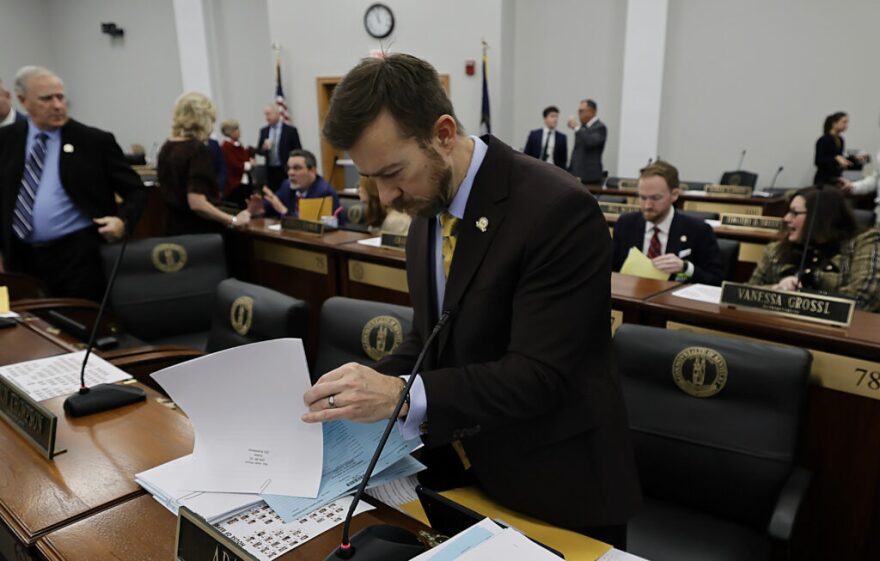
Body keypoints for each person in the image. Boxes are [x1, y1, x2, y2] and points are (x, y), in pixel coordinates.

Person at [302, 53, 640, 548]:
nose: (387, 197)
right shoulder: (426, 205)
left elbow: (539, 375)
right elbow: (432, 336)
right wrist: (351, 391)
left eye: (393, 172)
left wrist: (399, 393)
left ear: (442, 133)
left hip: (557, 489)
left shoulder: (556, 208)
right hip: (461, 479)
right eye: (371, 176)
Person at [0, 66, 147, 300]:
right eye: (47, 99)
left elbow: (136, 191)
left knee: (79, 327)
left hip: (78, 256)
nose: (58, 105)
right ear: (23, 101)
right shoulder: (7, 140)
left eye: (61, 96)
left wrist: (122, 221)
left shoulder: (94, 141)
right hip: (21, 258)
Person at [749, 186, 880, 312]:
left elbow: (864, 299)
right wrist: (775, 290)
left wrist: (805, 288)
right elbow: (747, 292)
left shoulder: (864, 242)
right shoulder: (775, 249)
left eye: (794, 213)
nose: (786, 218)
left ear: (819, 217)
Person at [612, 161, 724, 285]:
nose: (647, 205)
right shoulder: (626, 224)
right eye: (642, 198)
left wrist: (686, 268)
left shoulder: (698, 230)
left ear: (675, 194)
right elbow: (611, 269)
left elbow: (716, 280)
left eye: (656, 198)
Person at [156, 92, 250, 235]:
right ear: (203, 119)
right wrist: (232, 220)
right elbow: (197, 203)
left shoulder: (166, 147)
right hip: (199, 232)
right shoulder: (197, 150)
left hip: (173, 228)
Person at [247, 149, 340, 220]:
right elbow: (273, 205)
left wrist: (284, 211)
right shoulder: (286, 186)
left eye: (297, 168)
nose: (290, 173)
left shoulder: (324, 192)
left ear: (313, 171)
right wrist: (259, 208)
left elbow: (309, 226)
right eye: (289, 168)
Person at [256, 104, 301, 191]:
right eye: (265, 115)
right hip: (271, 171)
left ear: (277, 114)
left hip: (286, 169)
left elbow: (298, 150)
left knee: (289, 192)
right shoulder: (264, 131)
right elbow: (259, 151)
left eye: (268, 114)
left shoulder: (290, 131)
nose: (266, 117)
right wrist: (264, 148)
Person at [814, 112, 866, 187]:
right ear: (834, 123)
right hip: (824, 180)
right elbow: (818, 161)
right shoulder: (823, 140)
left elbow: (840, 158)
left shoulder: (840, 140)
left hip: (836, 178)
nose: (846, 125)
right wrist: (835, 158)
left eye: (847, 122)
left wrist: (854, 159)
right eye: (844, 122)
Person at [567, 98, 606, 185]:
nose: (579, 113)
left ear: (591, 111)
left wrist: (577, 127)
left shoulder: (600, 127)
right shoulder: (583, 128)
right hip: (576, 176)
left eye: (581, 111)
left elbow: (590, 142)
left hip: (590, 178)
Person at [219, 119, 253, 207]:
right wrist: (248, 165)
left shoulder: (238, 144)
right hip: (235, 183)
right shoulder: (226, 146)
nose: (239, 131)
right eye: (236, 129)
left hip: (245, 181)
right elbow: (233, 164)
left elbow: (245, 157)